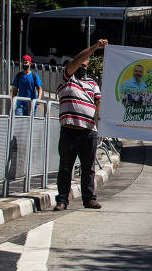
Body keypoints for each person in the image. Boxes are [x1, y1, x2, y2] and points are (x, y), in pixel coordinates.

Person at [53, 39, 107, 212]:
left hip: (88, 131)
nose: (82, 67)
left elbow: (99, 104)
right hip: (69, 131)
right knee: (65, 168)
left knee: (88, 168)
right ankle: (62, 200)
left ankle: (89, 199)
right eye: (80, 64)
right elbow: (75, 62)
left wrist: (104, 125)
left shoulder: (92, 84)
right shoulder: (66, 79)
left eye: (85, 65)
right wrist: (94, 48)